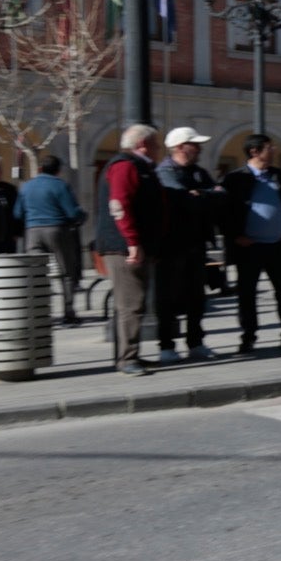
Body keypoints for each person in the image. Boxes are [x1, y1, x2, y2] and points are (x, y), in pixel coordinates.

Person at [219, 134, 281, 355]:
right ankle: (248, 338)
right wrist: (235, 236)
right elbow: (223, 212)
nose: (274, 150)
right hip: (249, 248)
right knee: (247, 294)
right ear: (255, 151)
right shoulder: (235, 178)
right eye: (270, 147)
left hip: (277, 245)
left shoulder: (278, 175)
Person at [94, 125, 165, 375]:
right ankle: (127, 359)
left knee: (132, 302)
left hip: (132, 246)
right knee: (130, 303)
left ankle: (129, 355)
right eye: (156, 143)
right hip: (123, 248)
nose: (159, 148)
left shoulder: (141, 167)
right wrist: (132, 241)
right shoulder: (126, 166)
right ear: (142, 144)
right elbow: (119, 205)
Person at [155, 127, 220, 362]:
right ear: (180, 147)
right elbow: (181, 200)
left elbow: (220, 195)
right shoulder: (165, 172)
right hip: (171, 245)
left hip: (196, 243)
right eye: (195, 144)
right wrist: (201, 196)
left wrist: (199, 195)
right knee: (168, 298)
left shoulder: (199, 172)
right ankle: (166, 345)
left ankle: (196, 343)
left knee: (196, 296)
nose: (200, 148)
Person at [16, 153, 87, 325]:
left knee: (36, 274)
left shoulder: (26, 186)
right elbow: (72, 212)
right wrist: (82, 216)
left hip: (32, 232)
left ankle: (38, 313)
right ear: (58, 170)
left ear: (40, 168)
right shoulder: (60, 186)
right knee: (66, 272)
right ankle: (69, 312)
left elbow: (17, 213)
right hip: (57, 230)